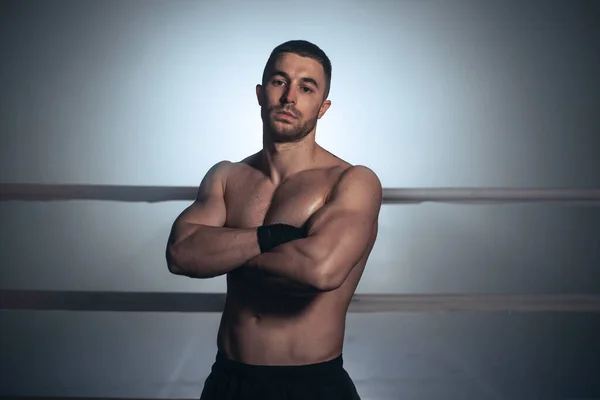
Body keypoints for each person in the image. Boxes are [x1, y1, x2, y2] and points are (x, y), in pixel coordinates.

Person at [166, 40, 382, 400]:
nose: (290, 98)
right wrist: (274, 237)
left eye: (306, 87)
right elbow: (180, 254)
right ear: (260, 93)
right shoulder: (226, 176)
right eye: (279, 82)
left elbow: (321, 268)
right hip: (228, 379)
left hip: (311, 384)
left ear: (323, 107)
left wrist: (224, 247)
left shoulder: (352, 180)